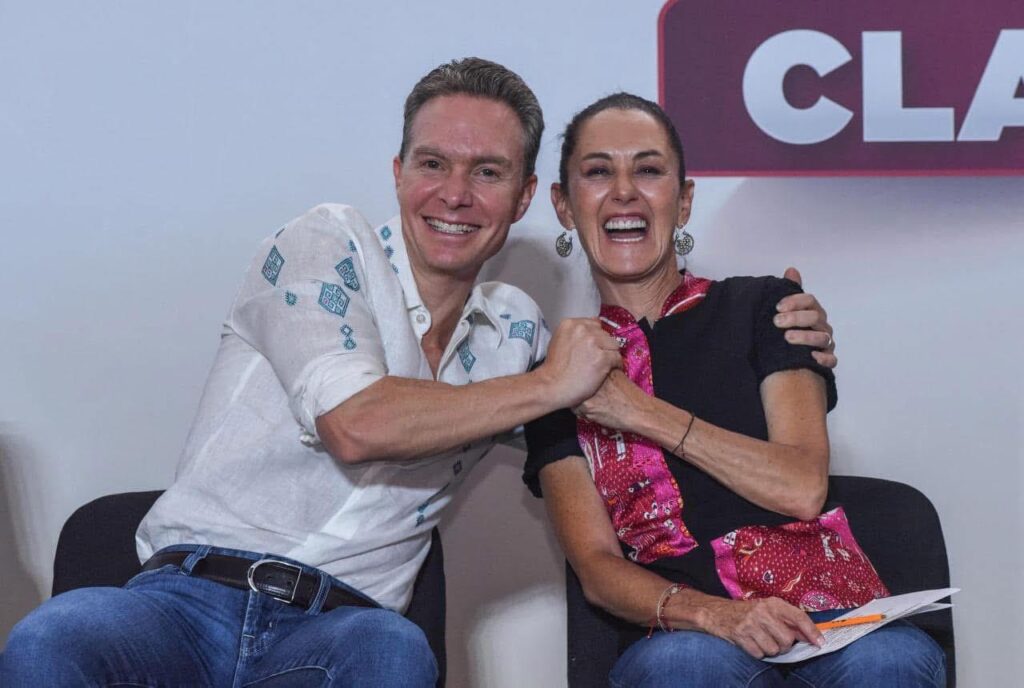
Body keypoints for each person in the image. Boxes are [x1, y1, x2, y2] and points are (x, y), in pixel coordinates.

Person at [0, 61, 835, 686]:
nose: (455, 194)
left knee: (392, 653)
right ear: (397, 173)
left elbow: (624, 409)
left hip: (344, 628)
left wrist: (785, 334)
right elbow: (356, 423)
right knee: (53, 636)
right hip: (182, 600)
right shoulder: (324, 244)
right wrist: (552, 385)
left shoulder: (518, 331)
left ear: (523, 200)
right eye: (433, 164)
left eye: (488, 173)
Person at [523, 93, 946, 688]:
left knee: (890, 662)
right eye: (597, 172)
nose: (623, 192)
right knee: (688, 667)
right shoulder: (556, 375)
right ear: (564, 206)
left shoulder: (766, 308)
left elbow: (801, 487)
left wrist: (637, 411)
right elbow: (596, 568)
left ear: (684, 200)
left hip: (831, 621)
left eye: (648, 170)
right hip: (686, 631)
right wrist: (713, 615)